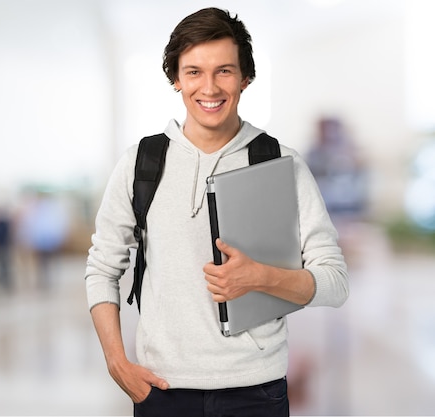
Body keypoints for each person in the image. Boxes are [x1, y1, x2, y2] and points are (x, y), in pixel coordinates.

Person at [84, 7, 349, 417]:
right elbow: (103, 267)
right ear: (176, 79)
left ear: (246, 78)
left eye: (224, 71)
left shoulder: (280, 163)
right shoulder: (141, 162)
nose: (209, 88)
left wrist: (262, 277)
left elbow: (334, 282)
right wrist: (117, 362)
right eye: (193, 72)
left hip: (256, 391)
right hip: (161, 389)